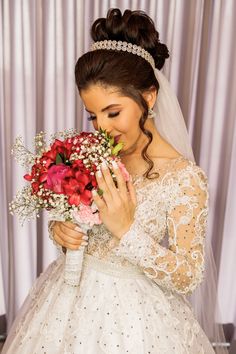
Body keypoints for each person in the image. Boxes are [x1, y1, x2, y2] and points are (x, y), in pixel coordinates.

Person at [2, 8, 227, 354]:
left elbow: (189, 274)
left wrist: (127, 232)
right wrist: (61, 231)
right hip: (65, 304)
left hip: (137, 321)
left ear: (148, 98)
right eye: (93, 115)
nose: (102, 128)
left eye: (113, 112)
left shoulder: (184, 178)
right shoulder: (96, 153)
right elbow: (81, 223)